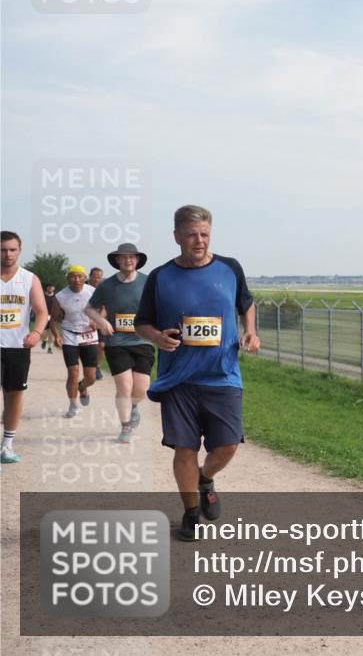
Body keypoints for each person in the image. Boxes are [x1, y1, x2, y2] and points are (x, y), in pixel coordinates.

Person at [135, 205, 259, 541]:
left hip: (223, 375)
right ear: (176, 236)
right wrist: (157, 336)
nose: (199, 240)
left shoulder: (230, 268)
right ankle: (191, 514)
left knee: (228, 445)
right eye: (191, 234)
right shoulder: (160, 277)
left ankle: (205, 478)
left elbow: (246, 303)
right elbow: (141, 322)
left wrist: (251, 330)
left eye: (204, 234)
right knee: (184, 448)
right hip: (178, 379)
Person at [86, 244, 155, 444]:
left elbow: (159, 304)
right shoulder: (106, 286)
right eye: (123, 257)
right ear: (117, 260)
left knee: (141, 388)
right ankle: (125, 426)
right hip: (117, 341)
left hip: (143, 339)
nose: (128, 261)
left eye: (132, 257)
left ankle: (133, 406)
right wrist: (102, 321)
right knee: (124, 385)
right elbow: (89, 309)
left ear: (137, 260)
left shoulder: (147, 281)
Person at [0, 230, 49, 465]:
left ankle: (7, 444)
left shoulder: (29, 278)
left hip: (17, 346)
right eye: (3, 250)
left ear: (19, 250)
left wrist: (37, 332)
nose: (7, 254)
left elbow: (41, 311)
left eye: (12, 249)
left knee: (14, 395)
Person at [49, 266, 99, 418]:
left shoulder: (92, 292)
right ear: (68, 279)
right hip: (70, 334)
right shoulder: (61, 296)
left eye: (79, 276)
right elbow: (54, 319)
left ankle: (82, 387)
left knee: (91, 377)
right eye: (72, 276)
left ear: (85, 278)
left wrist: (98, 320)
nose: (76, 279)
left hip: (89, 335)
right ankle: (72, 404)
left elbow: (104, 309)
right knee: (73, 372)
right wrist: (56, 335)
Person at [89, 266, 106, 380]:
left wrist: (97, 321)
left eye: (99, 277)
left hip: (98, 320)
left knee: (101, 345)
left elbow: (105, 309)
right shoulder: (82, 287)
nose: (96, 280)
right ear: (90, 277)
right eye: (94, 277)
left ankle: (97, 366)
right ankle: (88, 367)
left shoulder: (104, 289)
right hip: (83, 320)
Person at [42, 284, 57, 353]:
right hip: (44, 316)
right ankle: (44, 340)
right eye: (49, 287)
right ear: (47, 288)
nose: (50, 288)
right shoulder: (43, 296)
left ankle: (50, 348)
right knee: (43, 333)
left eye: (52, 287)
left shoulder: (56, 297)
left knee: (51, 332)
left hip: (53, 317)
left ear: (54, 288)